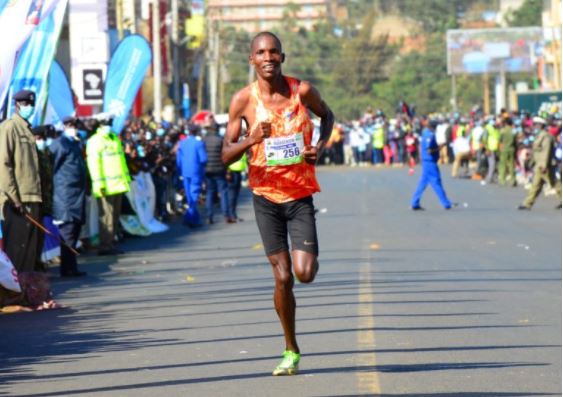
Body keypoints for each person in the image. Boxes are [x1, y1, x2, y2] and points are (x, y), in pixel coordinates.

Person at [222, 32, 334, 376]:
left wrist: (320, 146)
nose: (268, 57)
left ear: (282, 57)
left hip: (300, 195)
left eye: (274, 52)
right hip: (265, 198)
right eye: (261, 52)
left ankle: (291, 341)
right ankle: (291, 348)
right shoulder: (243, 101)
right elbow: (226, 156)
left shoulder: (302, 91)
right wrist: (250, 139)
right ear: (252, 59)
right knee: (283, 277)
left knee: (305, 273)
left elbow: (327, 116)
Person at [0, 89, 45, 273]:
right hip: (17, 201)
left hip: (33, 198)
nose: (29, 107)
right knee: (17, 251)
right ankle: (14, 296)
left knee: (30, 252)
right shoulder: (10, 127)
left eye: (31, 104)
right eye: (26, 104)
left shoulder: (27, 129)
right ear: (17, 105)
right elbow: (3, 164)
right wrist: (14, 198)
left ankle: (26, 296)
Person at [86, 119, 130, 255]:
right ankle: (105, 246)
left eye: (110, 124)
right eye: (106, 124)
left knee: (114, 216)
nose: (109, 127)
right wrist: (99, 185)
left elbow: (121, 162)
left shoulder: (114, 139)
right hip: (106, 186)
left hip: (118, 185)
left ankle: (111, 242)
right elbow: (94, 165)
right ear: (100, 125)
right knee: (107, 217)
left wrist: (126, 180)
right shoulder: (95, 141)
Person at [50, 117, 87, 277]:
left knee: (74, 231)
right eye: (70, 125)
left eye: (75, 125)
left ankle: (71, 267)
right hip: (65, 195)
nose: (73, 128)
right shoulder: (60, 144)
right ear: (64, 126)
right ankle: (67, 268)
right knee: (67, 232)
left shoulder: (74, 143)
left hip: (76, 195)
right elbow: (52, 166)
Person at [518, 117, 562, 210]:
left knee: (554, 183)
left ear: (540, 125)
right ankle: (527, 203)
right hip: (539, 165)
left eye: (535, 125)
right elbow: (536, 151)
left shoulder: (546, 137)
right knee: (536, 185)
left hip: (545, 165)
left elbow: (546, 152)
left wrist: (544, 165)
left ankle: (527, 203)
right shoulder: (540, 136)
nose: (534, 127)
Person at [411, 117, 454, 210]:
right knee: (436, 182)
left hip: (427, 161)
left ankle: (415, 202)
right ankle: (446, 203)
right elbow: (429, 150)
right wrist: (440, 147)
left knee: (422, 183)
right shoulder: (430, 135)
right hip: (429, 161)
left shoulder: (425, 133)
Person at [202, 118, 234, 224]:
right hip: (220, 169)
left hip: (207, 170)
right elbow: (225, 156)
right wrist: (228, 170)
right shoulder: (221, 140)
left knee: (210, 192)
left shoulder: (204, 140)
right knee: (223, 192)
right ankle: (226, 215)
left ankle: (209, 216)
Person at [176, 125, 207, 227]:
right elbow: (203, 159)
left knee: (189, 194)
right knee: (194, 194)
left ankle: (190, 216)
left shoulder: (182, 143)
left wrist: (180, 170)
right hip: (195, 171)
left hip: (185, 171)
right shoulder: (198, 143)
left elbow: (178, 160)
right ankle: (191, 217)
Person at [498, 117, 517, 186]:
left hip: (504, 149)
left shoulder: (503, 130)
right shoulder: (513, 131)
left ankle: (502, 180)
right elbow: (515, 142)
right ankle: (513, 180)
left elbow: (500, 140)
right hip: (512, 149)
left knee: (502, 164)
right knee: (511, 165)